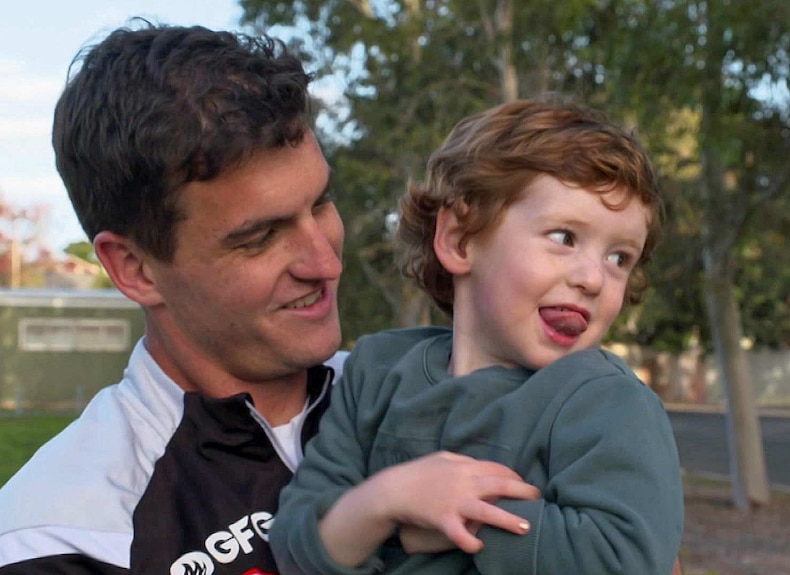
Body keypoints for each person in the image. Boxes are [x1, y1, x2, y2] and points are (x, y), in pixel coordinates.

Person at [0, 20, 539, 575]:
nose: (325, 262)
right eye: (260, 237)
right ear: (135, 267)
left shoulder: (444, 396)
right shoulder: (58, 540)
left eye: (320, 204)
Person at [270, 98, 685, 575]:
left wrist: (452, 521)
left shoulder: (607, 401)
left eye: (620, 258)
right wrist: (391, 500)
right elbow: (296, 542)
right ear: (460, 240)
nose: (594, 278)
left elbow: (628, 558)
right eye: (565, 237)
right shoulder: (377, 372)